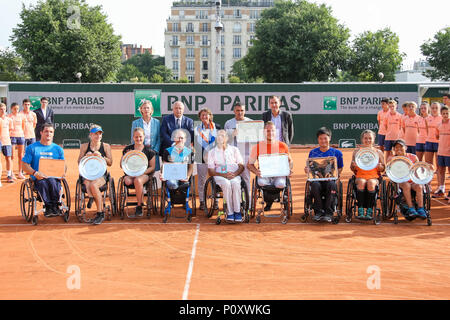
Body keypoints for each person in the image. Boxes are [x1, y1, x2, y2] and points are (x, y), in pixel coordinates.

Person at [247, 121, 294, 211]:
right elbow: (249, 164)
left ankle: (273, 199)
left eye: (272, 131)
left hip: (279, 174)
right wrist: (256, 171)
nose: (270, 133)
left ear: (275, 132)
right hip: (264, 174)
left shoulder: (282, 145)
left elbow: (290, 161)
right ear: (264, 132)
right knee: (261, 183)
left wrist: (289, 169)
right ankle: (269, 201)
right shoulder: (257, 147)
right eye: (267, 131)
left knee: (281, 184)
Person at [21, 124, 65, 217]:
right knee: (43, 183)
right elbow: (24, 165)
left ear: (53, 134)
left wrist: (62, 172)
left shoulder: (58, 149)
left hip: (53, 177)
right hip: (38, 177)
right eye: (46, 131)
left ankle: (55, 206)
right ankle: (48, 207)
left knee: (53, 182)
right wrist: (35, 173)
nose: (48, 133)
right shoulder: (32, 148)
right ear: (41, 133)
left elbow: (63, 165)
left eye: (51, 132)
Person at [303, 127, 344, 223]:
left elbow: (340, 168)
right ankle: (318, 211)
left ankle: (329, 212)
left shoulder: (337, 153)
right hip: (317, 179)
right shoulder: (313, 152)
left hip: (330, 180)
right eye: (321, 138)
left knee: (332, 185)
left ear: (329, 138)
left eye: (325, 138)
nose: (323, 141)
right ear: (318, 139)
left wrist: (334, 175)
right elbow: (311, 167)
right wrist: (307, 170)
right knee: (315, 185)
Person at [77, 125, 113, 225]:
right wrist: (85, 157)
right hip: (87, 174)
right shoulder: (84, 146)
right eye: (95, 134)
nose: (98, 136)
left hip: (101, 174)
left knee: (93, 185)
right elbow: (79, 162)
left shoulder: (105, 146)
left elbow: (110, 162)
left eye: (100, 134)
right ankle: (92, 197)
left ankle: (100, 213)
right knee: (88, 183)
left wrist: (102, 156)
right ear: (91, 135)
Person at [207, 130, 245, 222]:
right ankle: (230, 212)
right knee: (226, 183)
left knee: (235, 184)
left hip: (234, 174)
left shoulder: (234, 149)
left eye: (223, 136)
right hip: (219, 176)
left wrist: (235, 174)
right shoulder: (212, 152)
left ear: (227, 138)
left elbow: (241, 165)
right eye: (219, 136)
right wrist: (223, 175)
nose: (220, 137)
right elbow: (211, 171)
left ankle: (237, 211)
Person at [387, 139, 427, 219]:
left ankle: (421, 208)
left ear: (405, 147)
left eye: (401, 147)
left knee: (419, 186)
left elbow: (417, 171)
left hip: (412, 181)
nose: (398, 149)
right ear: (394, 149)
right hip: (400, 181)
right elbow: (390, 172)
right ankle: (411, 208)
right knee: (406, 185)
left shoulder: (413, 157)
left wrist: (422, 182)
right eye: (396, 147)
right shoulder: (391, 159)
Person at [121, 127, 157, 217]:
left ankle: (139, 205)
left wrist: (141, 172)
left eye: (140, 136)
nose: (138, 139)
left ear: (144, 137)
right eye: (136, 137)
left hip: (143, 175)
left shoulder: (150, 151)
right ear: (133, 137)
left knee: (137, 180)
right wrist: (125, 156)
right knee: (127, 181)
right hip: (130, 174)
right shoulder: (127, 149)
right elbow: (121, 165)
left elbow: (152, 167)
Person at [350, 130, 385, 219]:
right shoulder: (357, 151)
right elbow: (352, 168)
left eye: (370, 138)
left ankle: (370, 210)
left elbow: (383, 168)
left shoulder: (378, 152)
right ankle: (360, 209)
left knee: (370, 183)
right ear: (362, 139)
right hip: (360, 176)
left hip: (374, 177)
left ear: (373, 140)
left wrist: (380, 167)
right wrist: (353, 166)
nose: (368, 140)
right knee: (361, 182)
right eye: (366, 138)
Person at [224, 102, 253, 196]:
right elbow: (224, 141)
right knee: (233, 178)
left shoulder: (251, 122)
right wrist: (233, 134)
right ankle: (235, 200)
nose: (240, 112)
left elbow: (255, 141)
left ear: (245, 111)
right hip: (232, 156)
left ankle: (247, 204)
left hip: (245, 155)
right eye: (238, 110)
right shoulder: (228, 123)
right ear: (234, 111)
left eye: (242, 110)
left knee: (246, 178)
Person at [194, 107, 221, 210]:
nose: (205, 117)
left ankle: (216, 202)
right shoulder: (196, 128)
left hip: (215, 158)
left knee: (216, 179)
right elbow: (193, 143)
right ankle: (202, 201)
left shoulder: (217, 127)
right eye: (202, 115)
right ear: (200, 117)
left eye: (206, 114)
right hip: (201, 157)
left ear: (210, 116)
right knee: (202, 180)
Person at [130, 100, 161, 171]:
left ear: (151, 110)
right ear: (141, 110)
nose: (146, 109)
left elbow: (159, 138)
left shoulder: (157, 122)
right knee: (140, 170)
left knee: (152, 171)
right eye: (144, 108)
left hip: (153, 151)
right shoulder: (135, 123)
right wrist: (137, 150)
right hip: (141, 151)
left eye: (148, 108)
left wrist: (155, 150)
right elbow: (133, 138)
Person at [425, 102, 442, 186]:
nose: (434, 109)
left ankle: (440, 186)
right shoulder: (427, 118)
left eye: (436, 108)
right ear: (430, 109)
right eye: (433, 108)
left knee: (439, 166)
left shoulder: (442, 118)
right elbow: (427, 131)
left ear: (439, 109)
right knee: (428, 165)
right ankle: (428, 185)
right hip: (429, 142)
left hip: (439, 143)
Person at [435, 106, 449, 202]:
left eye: (447, 113)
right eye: (443, 113)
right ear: (441, 114)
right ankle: (441, 188)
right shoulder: (438, 125)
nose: (445, 115)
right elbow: (437, 136)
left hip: (449, 152)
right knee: (441, 170)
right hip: (441, 151)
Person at [9, 102, 26, 179]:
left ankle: (20, 172)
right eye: (14, 109)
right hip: (12, 137)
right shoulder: (9, 117)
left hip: (21, 136)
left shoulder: (21, 116)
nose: (16, 110)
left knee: (21, 155)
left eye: (17, 109)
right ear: (11, 109)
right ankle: (11, 173)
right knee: (12, 155)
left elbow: (23, 126)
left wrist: (21, 134)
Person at [0, 103, 14, 183]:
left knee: (8, 158)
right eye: (1, 109)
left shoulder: (9, 120)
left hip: (7, 141)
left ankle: (9, 175)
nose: (3, 111)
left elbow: (10, 130)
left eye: (4, 109)